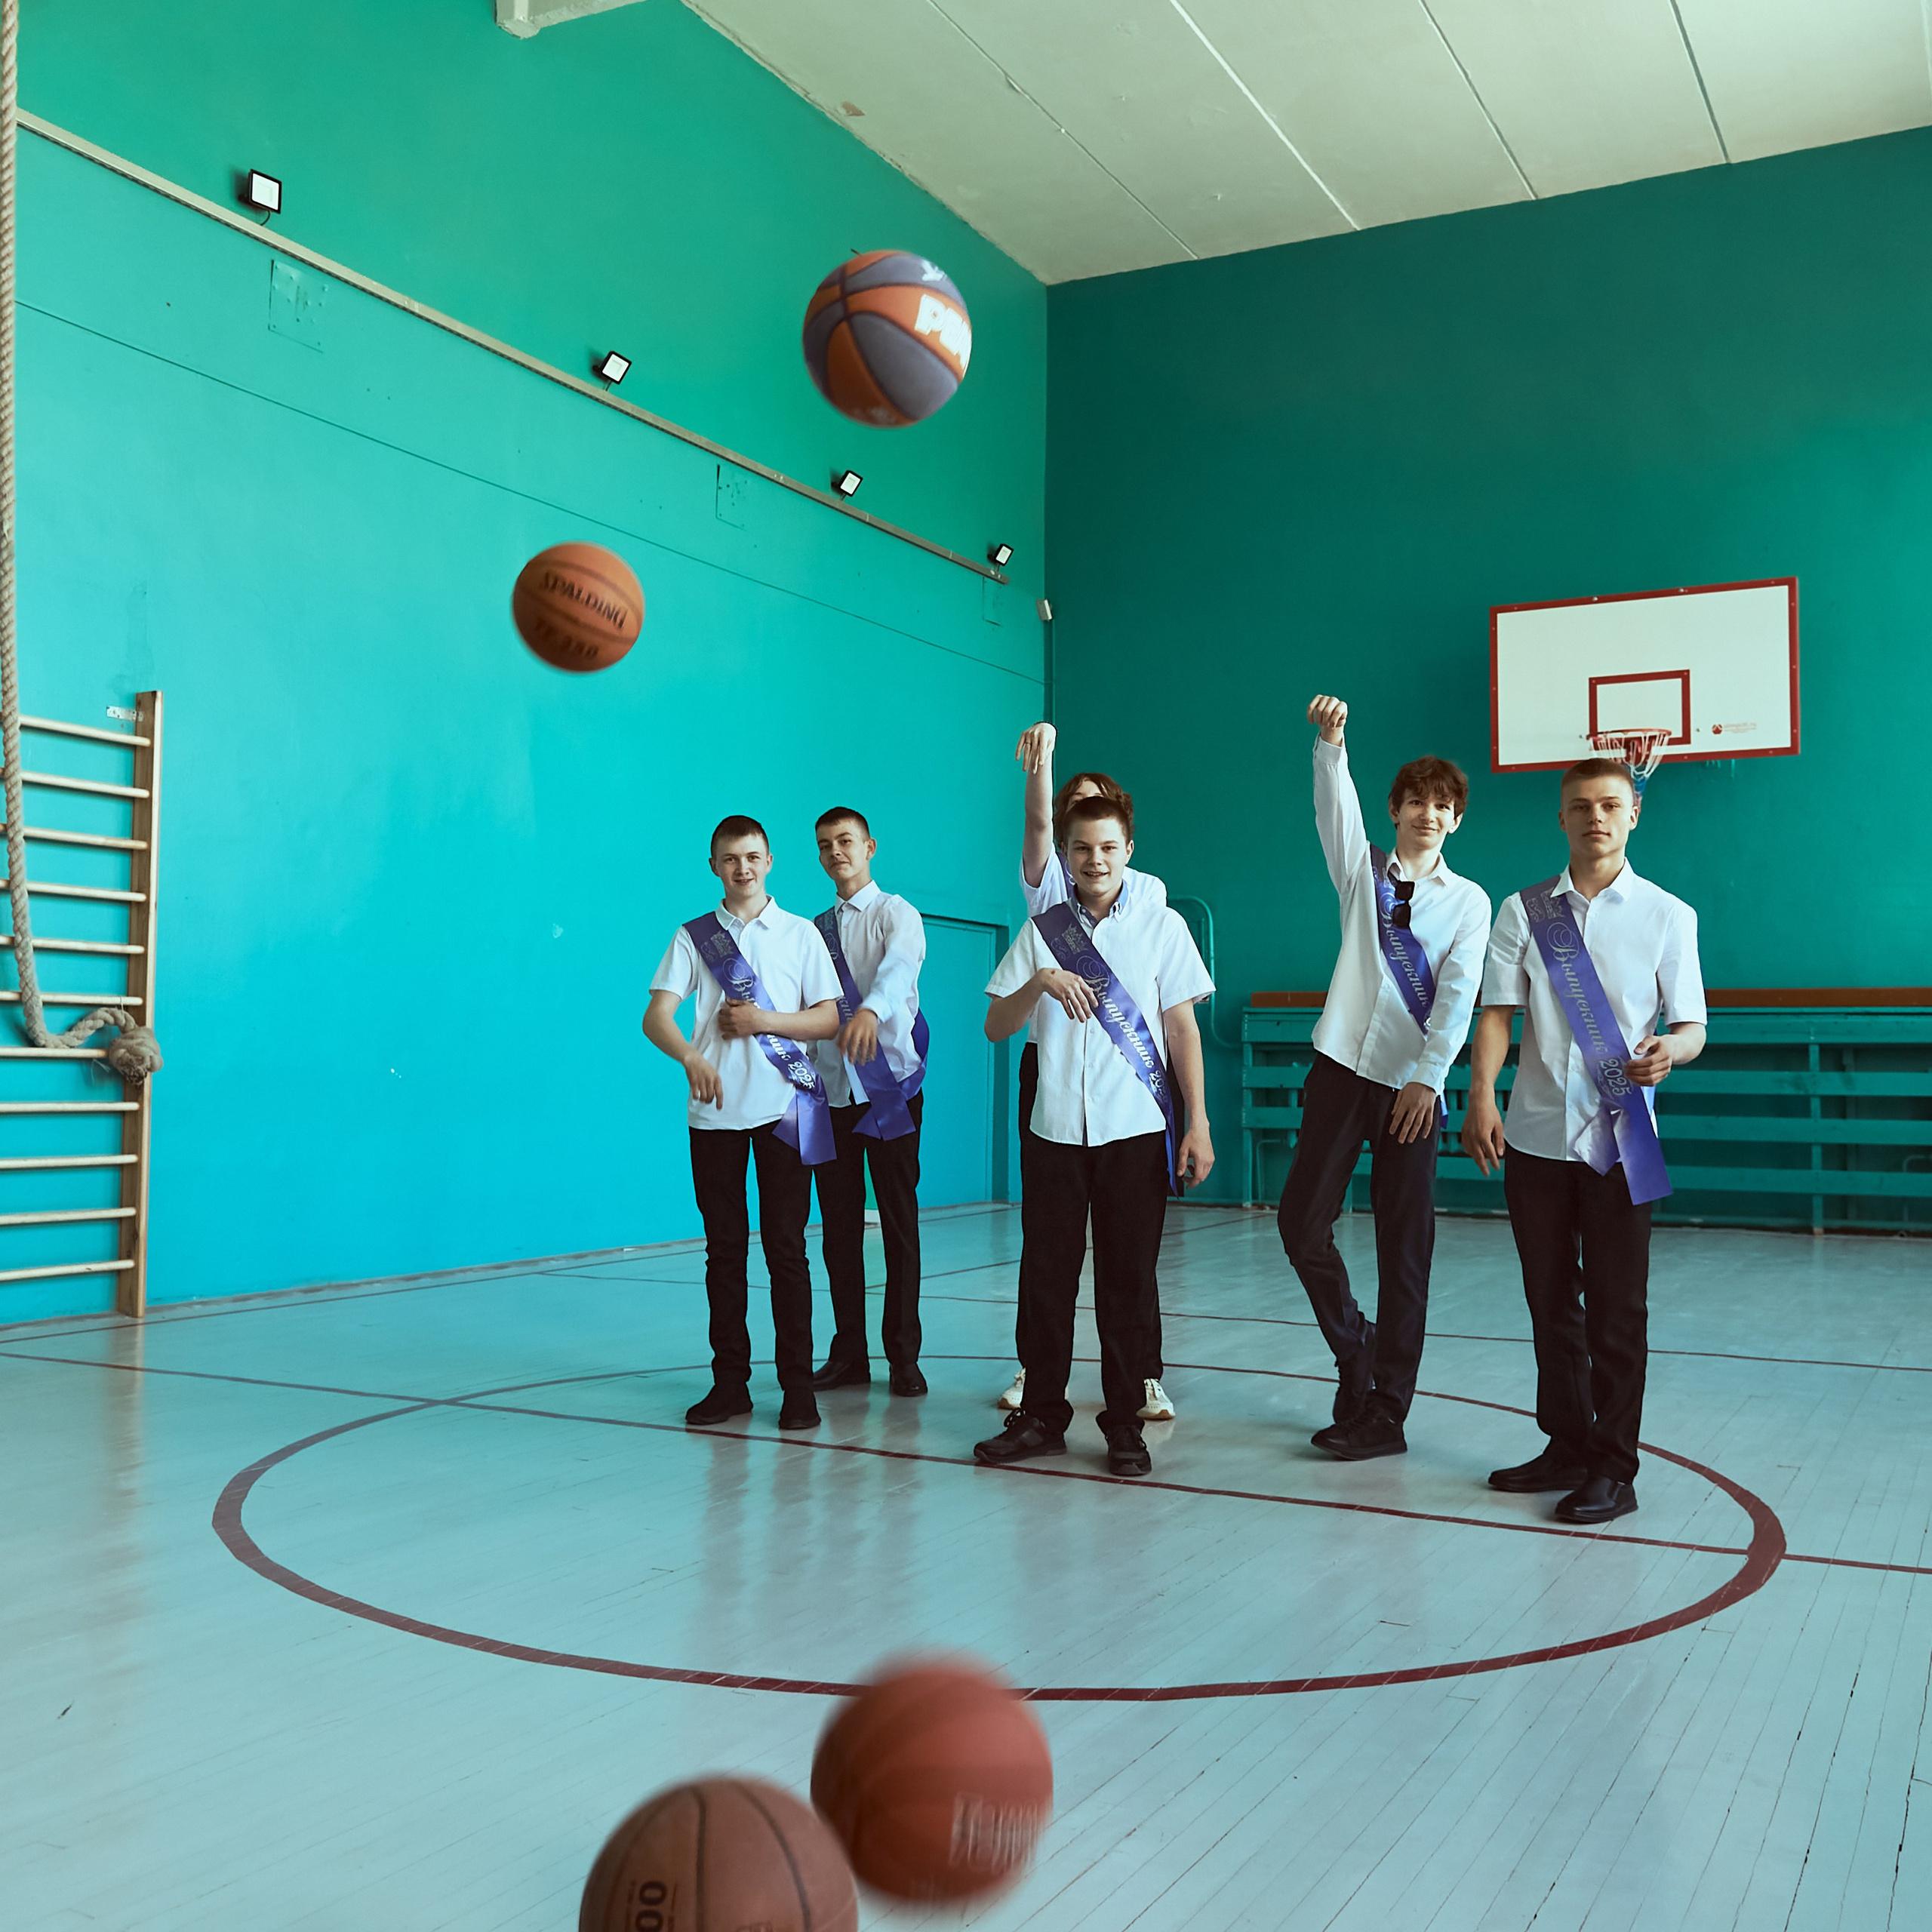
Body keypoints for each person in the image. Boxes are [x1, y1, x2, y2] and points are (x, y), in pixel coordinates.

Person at [1462, 756, 1706, 1525]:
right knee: (1548, 1303)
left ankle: (1614, 1466)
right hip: (1532, 1138)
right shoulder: (1523, 910)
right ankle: (1565, 1443)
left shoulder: (1670, 914)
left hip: (1621, 1141)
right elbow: (1498, 1013)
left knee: (1615, 1310)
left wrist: (1675, 1048)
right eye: (1579, 806)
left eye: (1608, 804)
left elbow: (1693, 1024)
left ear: (1633, 812)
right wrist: (1479, 1095)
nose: (1594, 817)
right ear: (1559, 818)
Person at [974, 793, 1214, 1478]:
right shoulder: (1044, 929)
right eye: (1081, 848)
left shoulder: (1163, 927)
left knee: (1127, 1284)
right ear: (1067, 856)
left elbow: (1180, 1029)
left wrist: (1195, 1121)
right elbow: (996, 1025)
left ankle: (1123, 1426)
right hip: (1053, 1133)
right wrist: (1041, 981)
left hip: (1136, 1132)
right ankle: (1042, 1417)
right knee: (1046, 1278)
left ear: (1128, 850)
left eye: (1108, 847)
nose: (1095, 859)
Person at [1278, 696, 1492, 1462]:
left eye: (1442, 806)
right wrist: (1331, 744)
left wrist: (1428, 1078)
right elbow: (1333, 809)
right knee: (1299, 1223)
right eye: (1415, 802)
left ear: (1454, 821)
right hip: (1339, 1067)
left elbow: (1461, 993)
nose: (1427, 814)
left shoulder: (1469, 902)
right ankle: (1355, 1346)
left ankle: (1387, 1411)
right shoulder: (1360, 871)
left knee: (1406, 1248)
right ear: (1395, 809)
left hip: (1411, 1087)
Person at [998, 721, 1177, 1426]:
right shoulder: (1046, 905)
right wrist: (1040, 765)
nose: (1090, 850)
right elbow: (1038, 817)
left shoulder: (1151, 900)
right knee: (1050, 1244)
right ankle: (1039, 1375)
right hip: (1051, 1068)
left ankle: (1140, 1378)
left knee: (1129, 1251)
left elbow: (1165, 1005)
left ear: (1125, 840)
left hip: (1126, 1076)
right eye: (1077, 830)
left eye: (1102, 823)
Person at [643, 815, 841, 1432]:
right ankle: (730, 1384)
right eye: (730, 859)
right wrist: (691, 1056)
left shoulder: (801, 934)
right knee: (723, 1252)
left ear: (771, 860)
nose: (743, 868)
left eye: (752, 856)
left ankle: (798, 1389)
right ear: (714, 866)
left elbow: (828, 1020)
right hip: (714, 1116)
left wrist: (765, 1023)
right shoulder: (693, 937)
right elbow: (657, 1017)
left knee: (787, 1252)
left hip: (786, 1111)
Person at [807, 807, 931, 1398]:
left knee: (900, 1227)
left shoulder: (896, 913)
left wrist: (873, 1012)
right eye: (826, 845)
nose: (837, 852)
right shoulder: (812, 931)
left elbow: (900, 970)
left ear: (870, 846)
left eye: (847, 841)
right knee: (837, 1231)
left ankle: (903, 1357)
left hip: (890, 1093)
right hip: (831, 1097)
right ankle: (849, 1353)